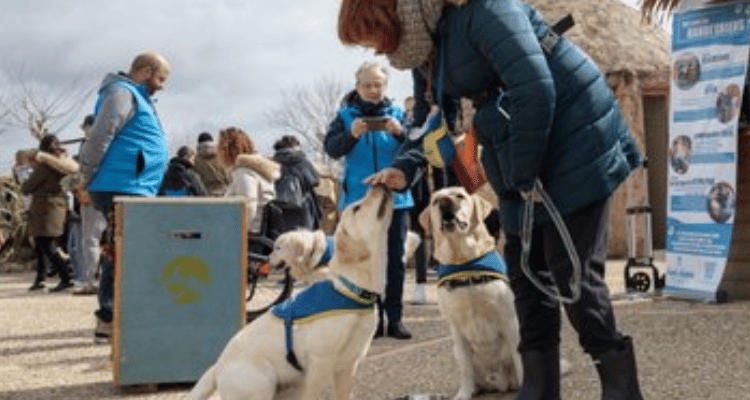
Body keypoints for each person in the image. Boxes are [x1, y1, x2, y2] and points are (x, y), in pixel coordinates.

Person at [339, 0, 645, 398]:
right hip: (516, 146)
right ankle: (538, 385)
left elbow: (535, 85)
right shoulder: (424, 49)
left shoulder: (485, 9)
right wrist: (406, 167)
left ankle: (620, 385)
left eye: (373, 35)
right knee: (525, 269)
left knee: (570, 271)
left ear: (391, 14)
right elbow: (432, 117)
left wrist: (523, 171)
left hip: (574, 134)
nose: (377, 50)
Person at [79, 51, 171, 342]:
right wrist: (86, 175)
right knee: (119, 252)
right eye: (161, 78)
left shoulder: (137, 96)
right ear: (144, 71)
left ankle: (117, 318)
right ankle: (108, 320)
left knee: (123, 251)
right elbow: (101, 134)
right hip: (122, 183)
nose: (163, 85)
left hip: (134, 183)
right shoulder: (122, 92)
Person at [324, 61, 414, 339]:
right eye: (368, 85)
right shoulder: (344, 116)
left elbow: (417, 151)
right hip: (359, 203)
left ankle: (395, 319)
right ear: (357, 87)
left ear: (386, 86)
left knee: (395, 261)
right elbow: (332, 149)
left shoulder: (400, 114)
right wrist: (351, 135)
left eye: (379, 84)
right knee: (366, 260)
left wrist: (401, 133)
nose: (374, 90)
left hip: (395, 201)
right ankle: (371, 319)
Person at [21, 134, 80, 292]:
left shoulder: (45, 168)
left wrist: (23, 177)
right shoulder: (62, 166)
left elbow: (26, 188)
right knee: (43, 243)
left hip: (45, 209)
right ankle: (41, 278)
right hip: (57, 207)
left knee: (45, 244)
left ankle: (65, 277)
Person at [219, 127, 279, 236]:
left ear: (228, 150)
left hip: (250, 237)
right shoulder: (258, 170)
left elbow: (249, 206)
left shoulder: (244, 172)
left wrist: (237, 234)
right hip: (262, 233)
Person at [71, 115, 105, 295]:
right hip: (106, 192)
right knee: (100, 239)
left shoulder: (91, 145)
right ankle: (97, 279)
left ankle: (92, 281)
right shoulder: (110, 141)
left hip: (92, 193)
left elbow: (84, 171)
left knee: (90, 239)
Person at [266, 135, 322, 238]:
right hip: (302, 211)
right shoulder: (301, 161)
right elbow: (316, 181)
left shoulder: (271, 163)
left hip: (278, 212)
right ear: (295, 146)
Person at [193, 132, 230, 196]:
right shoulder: (221, 156)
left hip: (206, 195)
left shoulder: (196, 160)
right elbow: (228, 176)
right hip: (224, 193)